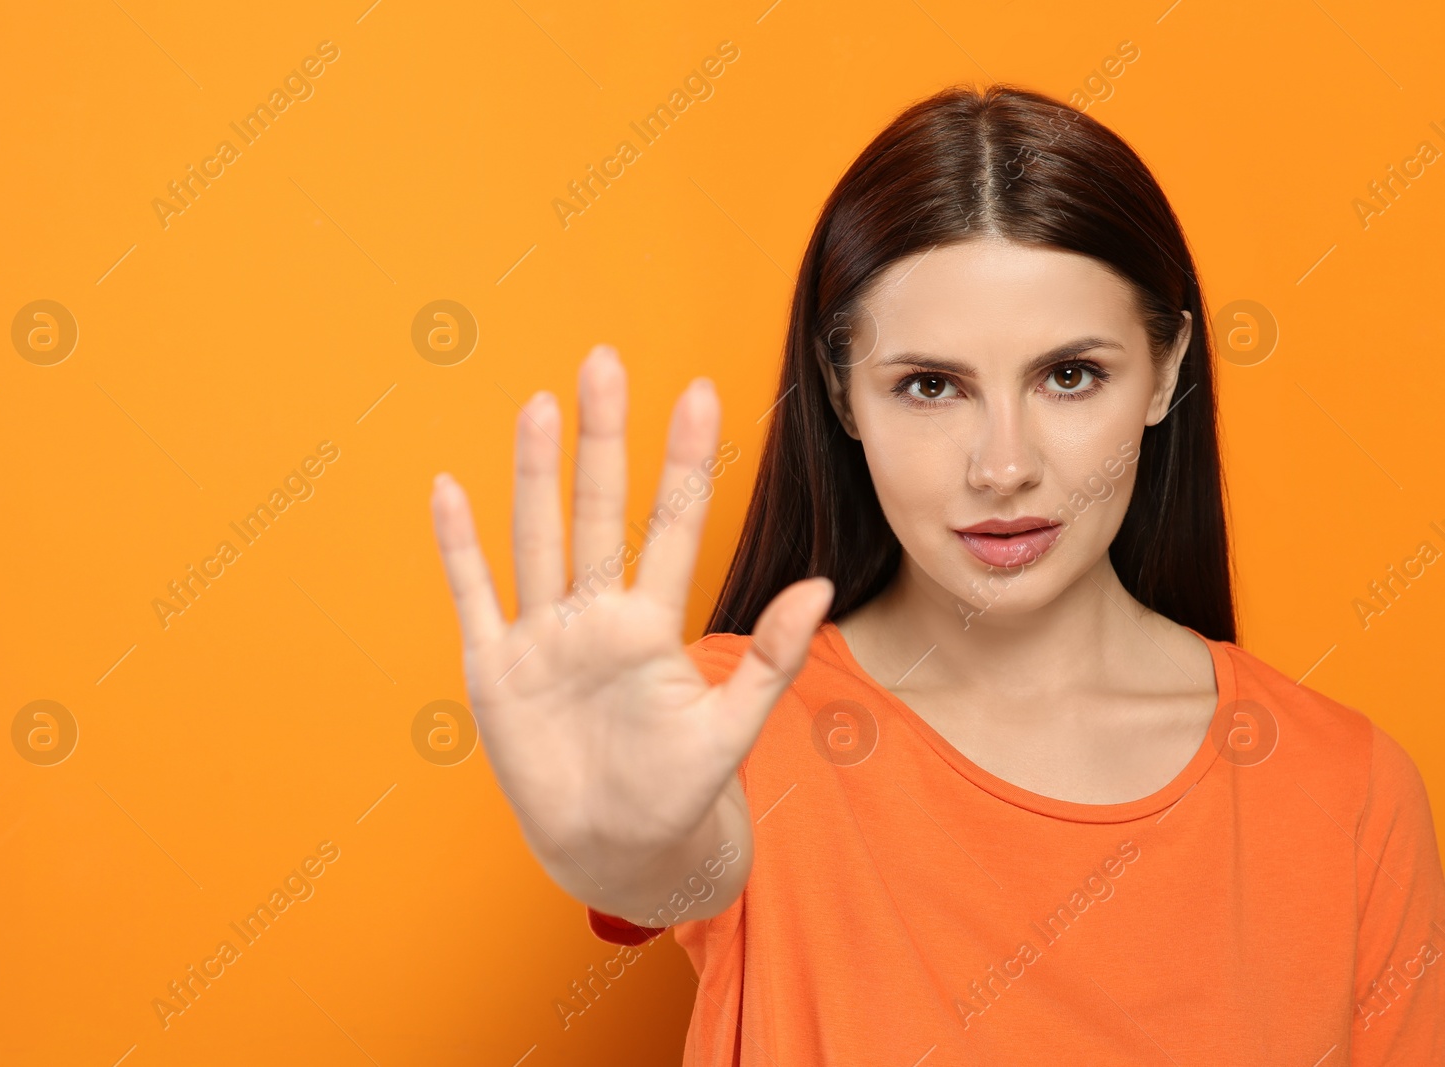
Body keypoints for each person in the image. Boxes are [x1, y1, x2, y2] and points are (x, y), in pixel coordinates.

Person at [428, 83, 1445, 1065]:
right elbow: (678, 857)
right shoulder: (729, 720)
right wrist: (622, 850)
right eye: (929, 384)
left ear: (1167, 368)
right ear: (839, 392)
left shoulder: (1345, 790)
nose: (1002, 465)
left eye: (1069, 373)